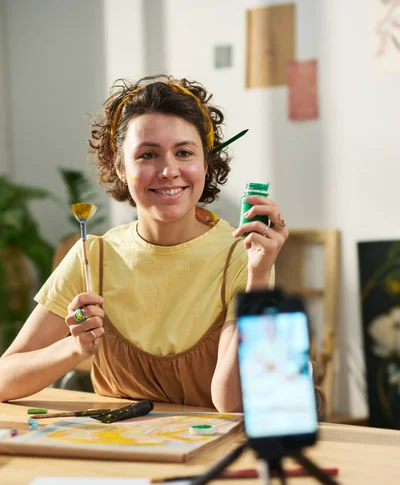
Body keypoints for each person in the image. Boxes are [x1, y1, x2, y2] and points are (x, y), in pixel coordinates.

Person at [0, 75, 288, 411]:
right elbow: (5, 377)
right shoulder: (93, 256)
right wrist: (74, 349)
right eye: (148, 154)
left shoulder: (241, 256)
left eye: (184, 152)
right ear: (120, 167)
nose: (168, 170)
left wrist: (258, 278)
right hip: (120, 455)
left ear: (206, 164)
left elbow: (232, 403)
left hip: (214, 456)